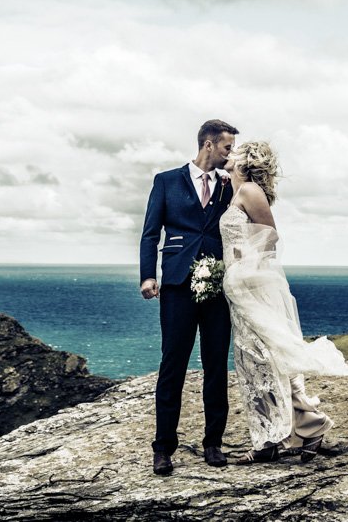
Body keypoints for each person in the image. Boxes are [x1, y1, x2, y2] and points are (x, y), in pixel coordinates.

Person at [219, 141, 348, 464]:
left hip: (254, 287)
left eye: (233, 152)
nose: (228, 153)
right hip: (239, 287)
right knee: (254, 362)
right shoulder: (237, 191)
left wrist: (243, 267)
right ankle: (275, 436)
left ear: (244, 162)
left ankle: (296, 432)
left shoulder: (250, 191)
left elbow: (270, 238)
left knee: (268, 357)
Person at [140, 119, 239, 476]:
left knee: (215, 365)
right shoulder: (166, 181)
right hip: (178, 285)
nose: (231, 153)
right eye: (227, 147)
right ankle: (163, 447)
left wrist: (236, 173)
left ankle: (214, 443)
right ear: (209, 144)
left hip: (218, 286)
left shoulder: (231, 185)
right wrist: (148, 275)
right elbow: (150, 234)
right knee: (173, 365)